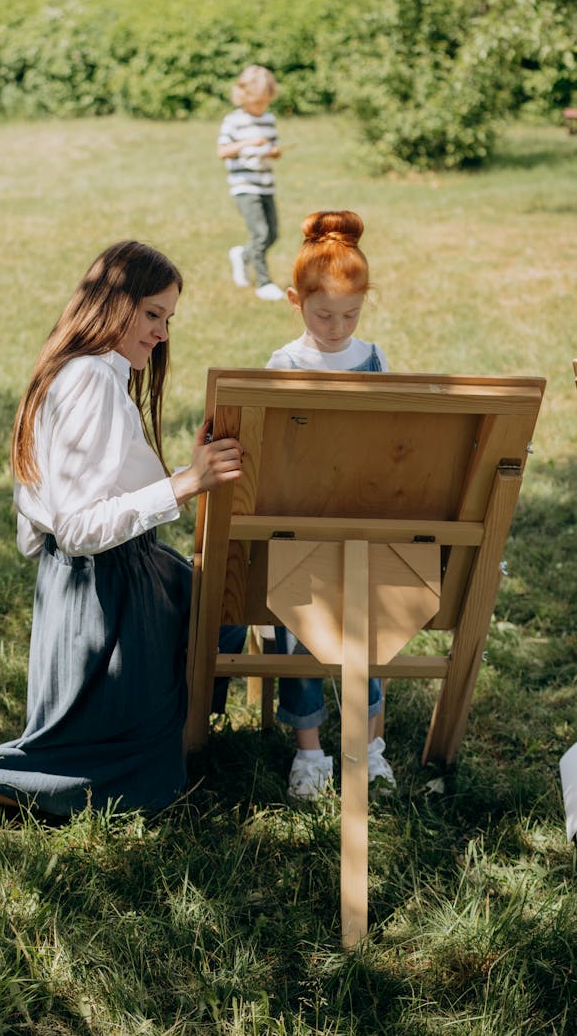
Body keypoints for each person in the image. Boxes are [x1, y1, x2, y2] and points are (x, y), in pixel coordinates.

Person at [0, 240, 246, 821]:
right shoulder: (89, 381)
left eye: (169, 319)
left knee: (218, 611)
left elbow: (80, 496)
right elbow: (79, 527)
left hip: (115, 575)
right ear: (113, 305)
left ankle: (176, 737)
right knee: (134, 784)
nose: (162, 333)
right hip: (103, 591)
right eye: (153, 314)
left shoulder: (86, 373)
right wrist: (186, 483)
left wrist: (183, 470)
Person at [266, 209, 396, 799]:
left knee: (365, 628)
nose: (338, 326)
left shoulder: (374, 360)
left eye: (351, 313)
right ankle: (311, 752)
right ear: (296, 300)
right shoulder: (284, 365)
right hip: (297, 526)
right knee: (298, 627)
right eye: (323, 314)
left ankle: (368, 746)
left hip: (361, 522)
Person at [217, 65, 285, 302]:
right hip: (244, 185)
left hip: (266, 183)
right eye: (256, 102)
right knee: (260, 232)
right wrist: (248, 143)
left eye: (265, 102)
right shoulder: (233, 121)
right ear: (243, 97)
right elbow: (222, 151)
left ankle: (242, 255)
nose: (261, 107)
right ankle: (263, 283)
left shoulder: (269, 119)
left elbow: (271, 146)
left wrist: (274, 152)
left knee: (272, 234)